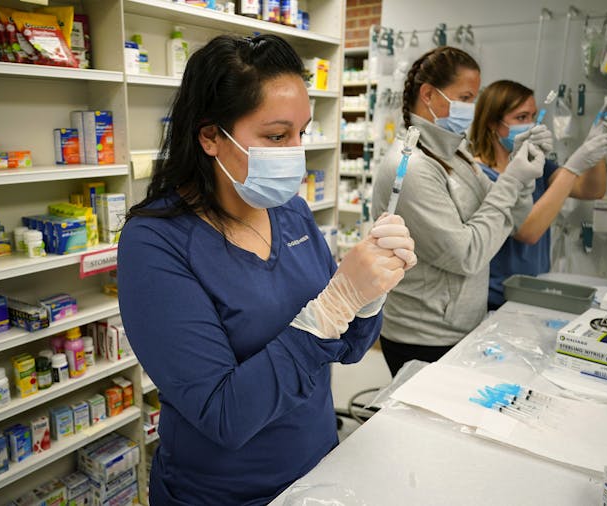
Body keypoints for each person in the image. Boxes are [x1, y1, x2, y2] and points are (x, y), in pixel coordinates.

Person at [117, 34, 416, 505]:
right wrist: (333, 303)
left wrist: (368, 293)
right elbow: (224, 416)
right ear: (211, 136)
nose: (295, 154)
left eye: (302, 132)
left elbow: (350, 350)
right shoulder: (155, 244)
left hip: (317, 469)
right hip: (221, 493)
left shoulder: (291, 213)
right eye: (277, 136)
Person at [371, 46, 545, 378]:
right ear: (428, 95)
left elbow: (513, 216)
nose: (473, 106)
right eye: (465, 96)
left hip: (460, 325)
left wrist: (524, 176)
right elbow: (465, 255)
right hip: (423, 336)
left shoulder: (456, 153)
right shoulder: (410, 167)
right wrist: (513, 179)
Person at [470, 80, 607, 310]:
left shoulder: (538, 165)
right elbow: (527, 231)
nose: (531, 124)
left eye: (533, 116)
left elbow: (591, 189)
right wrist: (573, 167)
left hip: (533, 290)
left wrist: (596, 145)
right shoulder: (479, 174)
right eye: (521, 117)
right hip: (495, 298)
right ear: (493, 123)